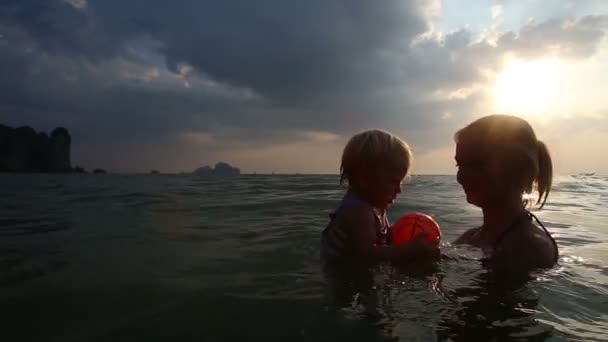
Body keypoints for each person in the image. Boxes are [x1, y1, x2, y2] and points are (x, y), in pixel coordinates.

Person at [453, 114, 559, 274]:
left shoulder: (527, 248)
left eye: (476, 164)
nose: (461, 176)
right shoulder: (471, 237)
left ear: (520, 169)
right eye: (459, 165)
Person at [321, 129, 439, 266]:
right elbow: (365, 255)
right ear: (364, 179)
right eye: (393, 182)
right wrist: (409, 250)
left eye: (400, 182)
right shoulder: (359, 212)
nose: (399, 190)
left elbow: (383, 243)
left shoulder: (375, 208)